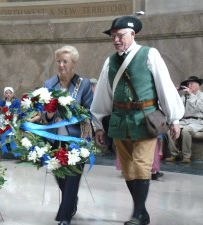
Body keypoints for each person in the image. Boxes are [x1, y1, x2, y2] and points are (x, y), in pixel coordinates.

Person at [90, 15, 184, 225]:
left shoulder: (150, 54)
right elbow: (103, 94)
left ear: (133, 34)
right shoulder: (110, 61)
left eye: (120, 35)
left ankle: (136, 215)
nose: (116, 40)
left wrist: (175, 118)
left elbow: (165, 86)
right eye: (113, 36)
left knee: (142, 166)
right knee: (128, 169)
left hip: (145, 119)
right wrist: (98, 124)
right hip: (120, 120)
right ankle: (142, 213)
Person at [43, 45, 93, 225]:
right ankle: (71, 202)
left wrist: (71, 117)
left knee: (72, 177)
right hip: (54, 139)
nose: (61, 65)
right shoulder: (49, 84)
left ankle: (65, 216)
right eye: (59, 61)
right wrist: (49, 115)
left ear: (73, 63)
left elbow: (88, 111)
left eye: (65, 61)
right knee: (60, 176)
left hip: (76, 139)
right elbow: (43, 112)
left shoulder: (84, 84)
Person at [166, 76, 203, 163]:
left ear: (198, 85)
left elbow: (201, 107)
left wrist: (191, 95)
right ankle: (174, 154)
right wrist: (174, 92)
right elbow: (176, 106)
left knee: (186, 130)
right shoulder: (184, 97)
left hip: (198, 122)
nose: (189, 85)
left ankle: (186, 156)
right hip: (185, 121)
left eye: (191, 83)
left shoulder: (201, 96)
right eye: (188, 84)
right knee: (170, 130)